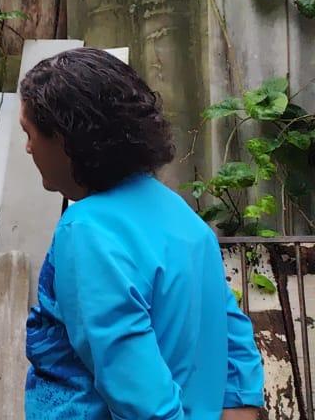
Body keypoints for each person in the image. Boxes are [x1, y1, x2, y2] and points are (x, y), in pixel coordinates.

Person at [18, 48, 265, 420]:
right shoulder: (180, 214)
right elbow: (234, 340)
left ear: (65, 139)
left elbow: (136, 393)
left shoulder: (86, 229)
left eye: (30, 132)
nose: (28, 148)